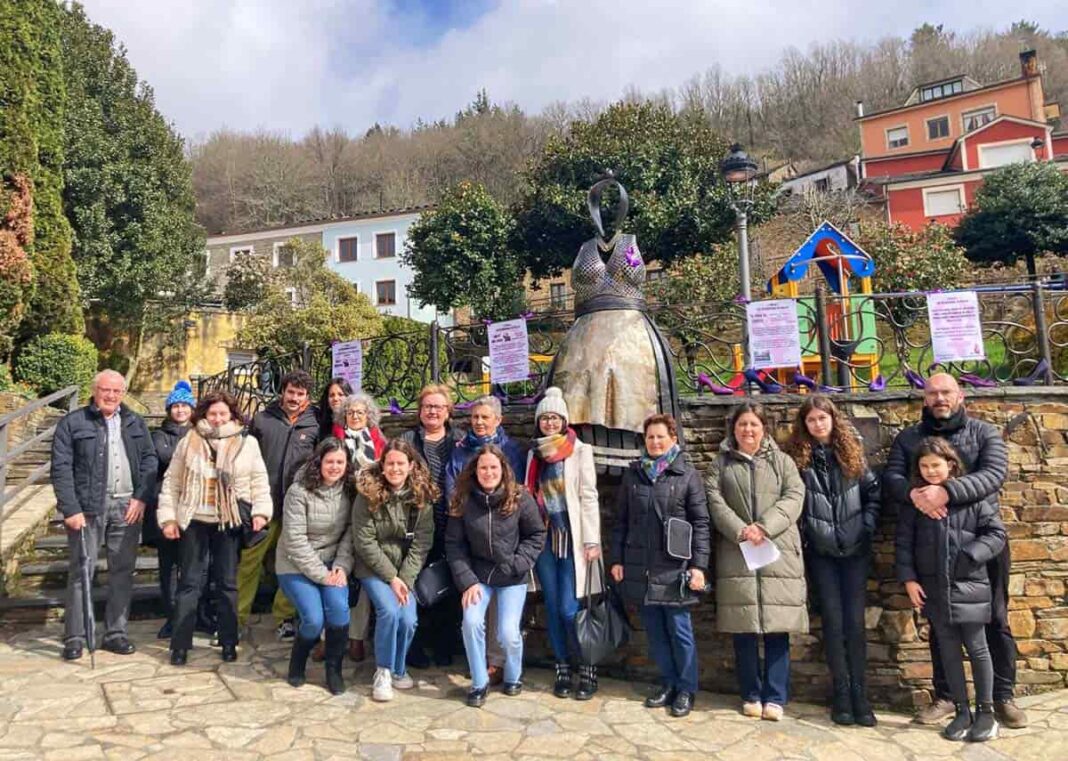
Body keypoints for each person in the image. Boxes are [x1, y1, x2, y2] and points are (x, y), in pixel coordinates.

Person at [882, 372, 1026, 729]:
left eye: (946, 392)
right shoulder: (909, 438)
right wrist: (915, 495)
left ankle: (1001, 697)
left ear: (960, 395)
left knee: (995, 618)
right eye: (932, 393)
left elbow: (994, 474)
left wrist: (946, 491)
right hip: (931, 545)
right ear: (924, 399)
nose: (939, 398)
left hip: (980, 545)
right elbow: (893, 478)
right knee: (940, 621)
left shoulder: (983, 433)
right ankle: (947, 696)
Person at [896, 438, 1006, 743]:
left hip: (969, 587)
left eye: (937, 464)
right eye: (924, 465)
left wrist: (972, 554)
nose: (931, 470)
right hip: (933, 590)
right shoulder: (915, 503)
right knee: (947, 652)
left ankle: (986, 713)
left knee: (978, 648)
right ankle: (962, 711)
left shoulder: (973, 498)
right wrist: (909, 579)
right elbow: (904, 544)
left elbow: (997, 534)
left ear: (951, 464)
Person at [706, 403, 806, 722]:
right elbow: (714, 501)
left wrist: (764, 527)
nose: (748, 430)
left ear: (764, 428)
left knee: (778, 629)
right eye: (742, 425)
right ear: (733, 429)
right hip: (738, 553)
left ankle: (775, 696)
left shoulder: (783, 462)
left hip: (778, 554)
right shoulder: (719, 465)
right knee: (744, 627)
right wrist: (741, 530)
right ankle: (750, 693)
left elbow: (794, 497)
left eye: (754, 425)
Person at [784, 395, 880, 726]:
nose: (818, 424)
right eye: (811, 420)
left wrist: (866, 527)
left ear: (832, 419)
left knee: (855, 625)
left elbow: (872, 495)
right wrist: (808, 534)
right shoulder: (798, 459)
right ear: (804, 425)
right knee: (834, 624)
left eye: (822, 418)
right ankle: (840, 694)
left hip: (854, 551)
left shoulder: (851, 452)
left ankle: (860, 694)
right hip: (821, 553)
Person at [158, 390, 271, 665]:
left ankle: (229, 640)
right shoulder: (190, 440)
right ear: (204, 415)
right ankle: (180, 645)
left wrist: (261, 512)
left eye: (223, 413)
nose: (218, 419)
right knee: (189, 584)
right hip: (195, 520)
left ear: (232, 415)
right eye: (212, 413)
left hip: (228, 521)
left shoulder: (248, 443)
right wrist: (168, 518)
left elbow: (259, 480)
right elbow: (172, 481)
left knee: (227, 585)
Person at [52, 370, 158, 661]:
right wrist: (70, 509)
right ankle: (75, 636)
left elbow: (149, 460)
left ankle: (116, 633)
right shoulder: (73, 423)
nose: (111, 396)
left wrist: (141, 497)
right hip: (87, 509)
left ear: (124, 393)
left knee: (122, 572)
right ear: (94, 390)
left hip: (127, 507)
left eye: (116, 391)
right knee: (80, 573)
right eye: (105, 390)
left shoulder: (135, 421)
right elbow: (61, 469)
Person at [610, 413, 710, 718]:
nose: (654, 442)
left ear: (673, 439)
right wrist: (616, 559)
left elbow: (701, 523)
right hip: (642, 565)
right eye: (650, 437)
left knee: (680, 631)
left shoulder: (687, 475)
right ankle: (667, 682)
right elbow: (621, 522)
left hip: (675, 568)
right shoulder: (633, 474)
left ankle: (686, 689)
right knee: (655, 632)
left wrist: (699, 566)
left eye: (660, 437)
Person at [446, 445, 546, 708]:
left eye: (493, 467)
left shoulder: (519, 497)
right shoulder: (463, 500)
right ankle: (479, 682)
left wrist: (518, 563)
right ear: (474, 471)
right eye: (483, 467)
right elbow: (454, 545)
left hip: (511, 575)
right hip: (478, 576)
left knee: (508, 633)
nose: (488, 472)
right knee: (470, 622)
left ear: (503, 469)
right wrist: (467, 581)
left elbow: (536, 534)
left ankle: (513, 676)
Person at [444, 395, 528, 685]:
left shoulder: (510, 450)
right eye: (475, 417)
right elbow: (451, 483)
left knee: (505, 625)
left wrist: (518, 560)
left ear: (498, 420)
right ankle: (481, 670)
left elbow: (516, 498)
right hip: (471, 534)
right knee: (474, 613)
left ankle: (499, 663)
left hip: (506, 551)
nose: (479, 422)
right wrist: (461, 509)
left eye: (485, 417)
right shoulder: (461, 450)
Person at [525, 387, 603, 700]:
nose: (550, 423)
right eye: (544, 417)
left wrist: (592, 539)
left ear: (564, 420)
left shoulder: (579, 450)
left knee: (572, 609)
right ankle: (562, 666)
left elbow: (588, 496)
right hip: (544, 540)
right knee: (554, 608)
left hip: (572, 539)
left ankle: (586, 665)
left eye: (555, 417)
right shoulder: (534, 454)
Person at [237, 370, 319, 640]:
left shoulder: (315, 424)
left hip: (297, 508)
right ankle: (236, 618)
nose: (294, 398)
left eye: (300, 394)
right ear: (282, 392)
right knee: (250, 562)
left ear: (307, 397)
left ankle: (284, 617)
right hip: (263, 505)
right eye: (291, 392)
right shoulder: (262, 420)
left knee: (292, 563)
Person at [351, 440, 436, 701]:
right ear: (382, 465)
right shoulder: (367, 495)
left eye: (401, 463)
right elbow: (364, 541)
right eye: (390, 463)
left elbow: (422, 543)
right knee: (388, 611)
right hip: (373, 567)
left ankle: (400, 669)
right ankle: (384, 671)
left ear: (410, 466)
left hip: (405, 570)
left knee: (408, 619)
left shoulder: (420, 498)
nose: (395, 468)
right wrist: (391, 578)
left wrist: (404, 579)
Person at [275, 438, 355, 695]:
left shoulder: (350, 490)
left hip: (333, 561)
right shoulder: (299, 492)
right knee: (313, 619)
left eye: (340, 462)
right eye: (329, 461)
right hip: (295, 563)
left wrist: (342, 566)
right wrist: (323, 575)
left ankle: (334, 669)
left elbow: (351, 532)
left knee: (339, 612)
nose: (334, 467)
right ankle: (298, 660)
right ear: (318, 462)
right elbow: (294, 540)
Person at [311, 391, 385, 663]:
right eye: (351, 412)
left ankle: (356, 637)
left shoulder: (379, 443)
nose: (355, 416)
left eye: (361, 412)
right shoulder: (332, 442)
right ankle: (326, 637)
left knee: (361, 578)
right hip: (337, 513)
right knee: (331, 574)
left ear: (369, 417)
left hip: (367, 516)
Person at [400, 384, 463, 668]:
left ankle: (444, 645)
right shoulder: (407, 440)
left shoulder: (460, 441)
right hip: (414, 524)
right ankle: (412, 646)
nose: (433, 411)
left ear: (448, 411)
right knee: (413, 582)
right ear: (420, 410)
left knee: (447, 584)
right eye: (428, 406)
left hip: (451, 524)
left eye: (439, 406)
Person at [144, 380, 204, 641]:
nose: (180, 410)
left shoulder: (201, 433)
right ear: (169, 410)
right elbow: (164, 456)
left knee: (194, 567)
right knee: (168, 567)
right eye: (176, 406)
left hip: (195, 509)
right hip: (167, 506)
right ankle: (171, 616)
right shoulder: (159, 435)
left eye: (185, 405)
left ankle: (193, 614)